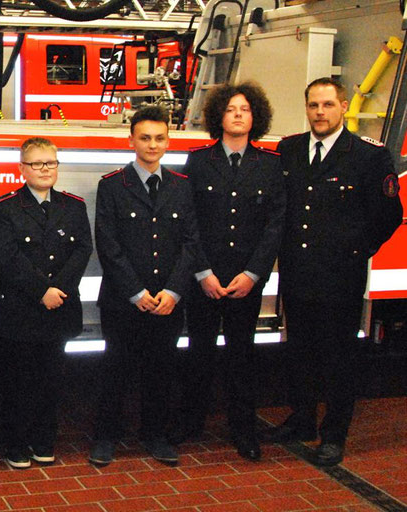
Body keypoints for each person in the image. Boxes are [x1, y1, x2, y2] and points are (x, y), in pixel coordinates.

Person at [270, 77, 402, 466]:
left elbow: (389, 214)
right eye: (313, 105)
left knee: (339, 358)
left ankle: (334, 433)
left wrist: (358, 251)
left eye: (328, 105)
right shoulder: (289, 149)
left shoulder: (368, 155)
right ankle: (302, 420)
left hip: (340, 277)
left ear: (343, 106)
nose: (320, 113)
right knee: (299, 352)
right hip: (297, 273)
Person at [172, 82, 285, 461]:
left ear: (257, 118)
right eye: (231, 109)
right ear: (218, 116)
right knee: (198, 352)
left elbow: (275, 225)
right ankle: (191, 421)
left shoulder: (270, 165)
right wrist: (202, 272)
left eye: (245, 109)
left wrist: (253, 274)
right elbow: (188, 222)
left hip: (244, 282)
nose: (238, 114)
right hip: (204, 279)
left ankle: (243, 429)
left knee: (242, 356)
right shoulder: (199, 161)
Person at [90, 105, 199, 467]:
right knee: (114, 372)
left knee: (161, 372)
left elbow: (191, 243)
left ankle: (155, 435)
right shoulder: (112, 186)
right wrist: (136, 292)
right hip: (125, 301)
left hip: (168, 301)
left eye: (159, 138)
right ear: (131, 140)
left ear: (168, 141)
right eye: (145, 138)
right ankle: (106, 437)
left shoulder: (182, 187)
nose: (152, 145)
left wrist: (174, 291)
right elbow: (108, 244)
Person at [0, 137, 92, 469]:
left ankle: (44, 439)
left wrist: (58, 289)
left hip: (58, 309)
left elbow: (82, 250)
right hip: (21, 310)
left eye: (50, 162)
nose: (44, 169)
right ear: (22, 168)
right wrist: (41, 291)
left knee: (51, 381)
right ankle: (16, 444)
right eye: (36, 163)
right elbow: (7, 257)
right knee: (18, 381)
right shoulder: (4, 207)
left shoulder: (73, 206)